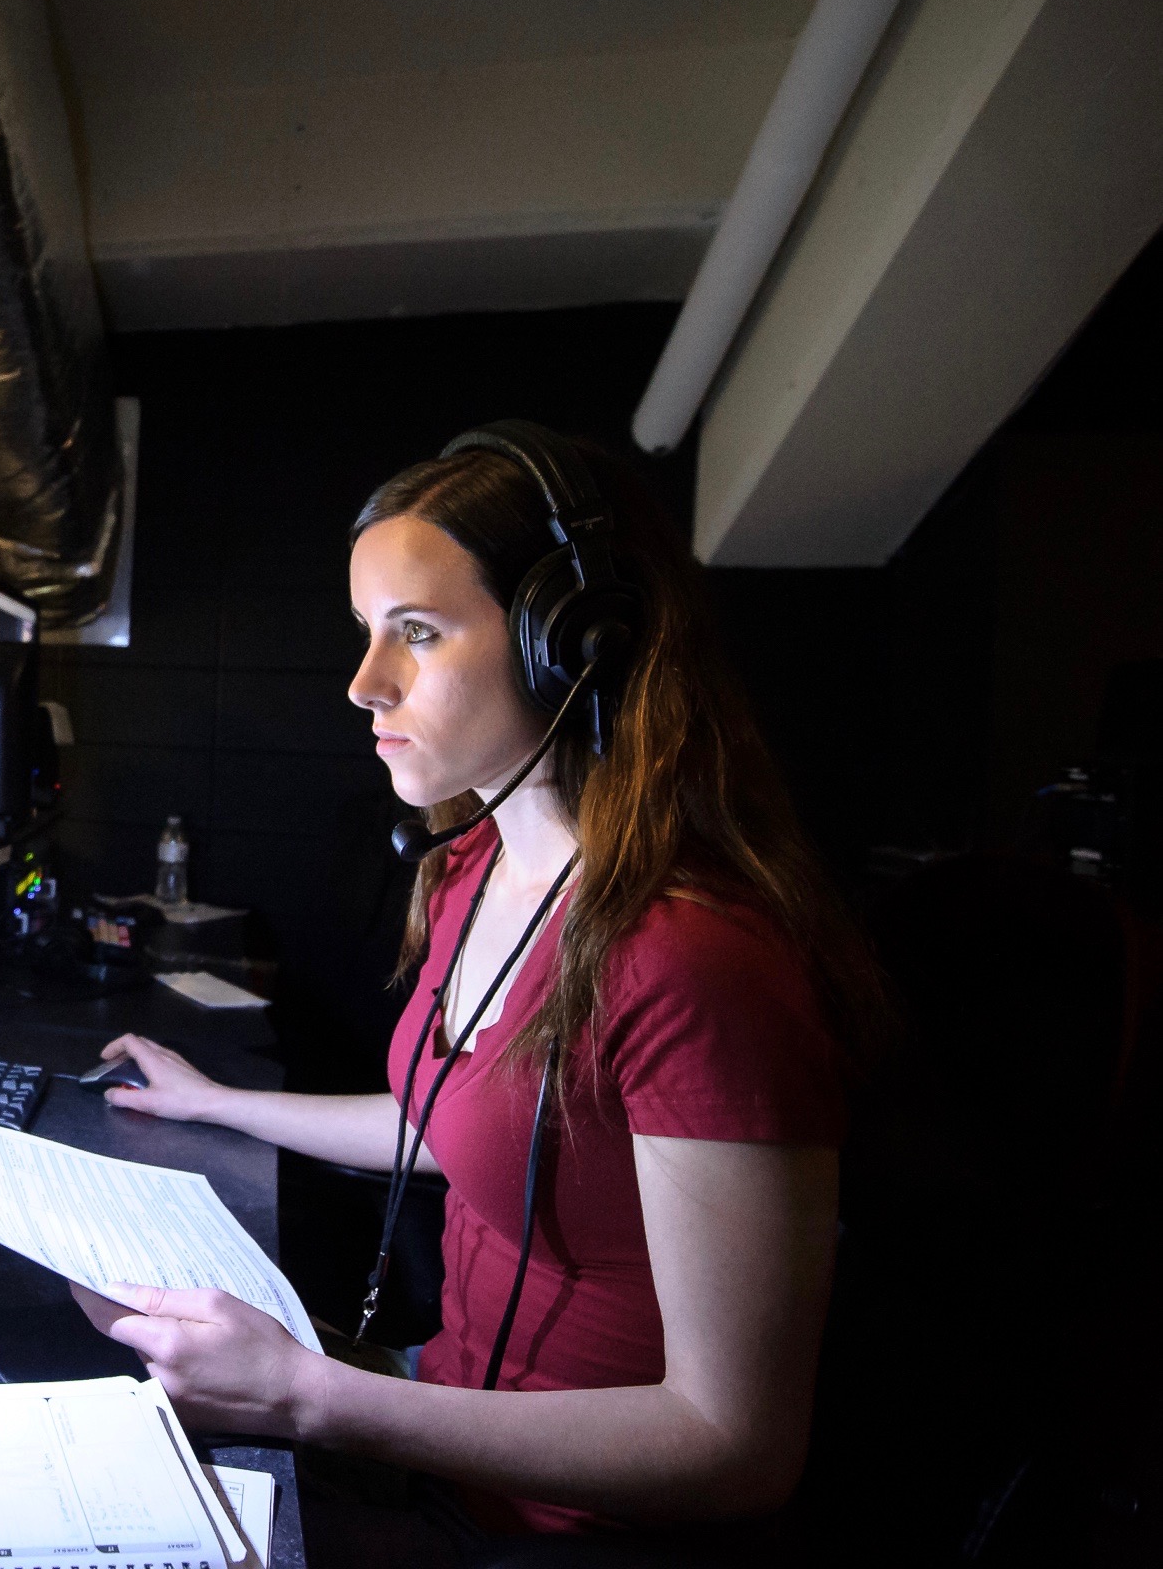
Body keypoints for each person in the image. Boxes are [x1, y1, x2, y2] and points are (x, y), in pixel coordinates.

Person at [78, 426, 886, 1547]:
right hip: (435, 1415)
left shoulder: (695, 964)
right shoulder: (472, 860)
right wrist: (213, 1100)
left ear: (573, 647)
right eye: (366, 633)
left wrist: (312, 1393)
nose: (365, 684)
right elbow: (458, 1119)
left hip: (565, 1527)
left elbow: (737, 1442)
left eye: (417, 631)